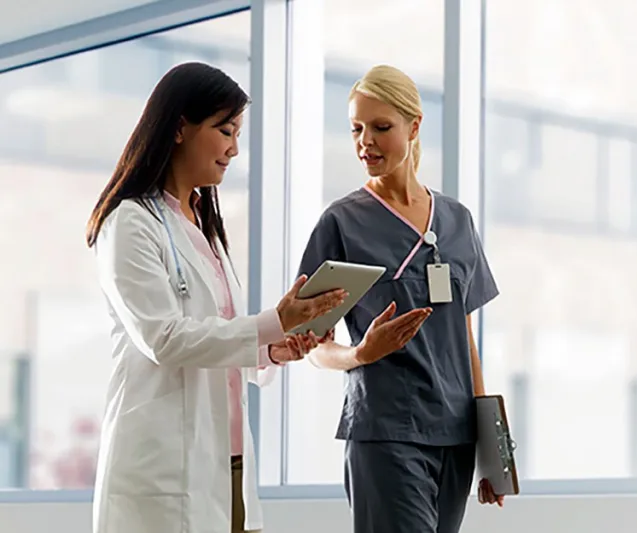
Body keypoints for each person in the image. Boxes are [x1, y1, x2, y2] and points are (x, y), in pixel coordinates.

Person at [85, 62, 346, 533]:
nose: (234, 148)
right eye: (225, 130)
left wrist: (272, 349)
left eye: (237, 133)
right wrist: (273, 321)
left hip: (227, 461)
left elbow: (215, 338)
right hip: (163, 465)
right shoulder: (130, 223)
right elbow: (163, 338)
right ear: (181, 126)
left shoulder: (204, 226)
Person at [297, 64, 503, 533]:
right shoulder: (342, 223)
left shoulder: (457, 220)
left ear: (414, 126)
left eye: (380, 128)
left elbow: (463, 338)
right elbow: (309, 345)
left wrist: (491, 445)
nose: (364, 141)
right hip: (387, 432)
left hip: (455, 436)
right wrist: (360, 353)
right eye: (356, 128)